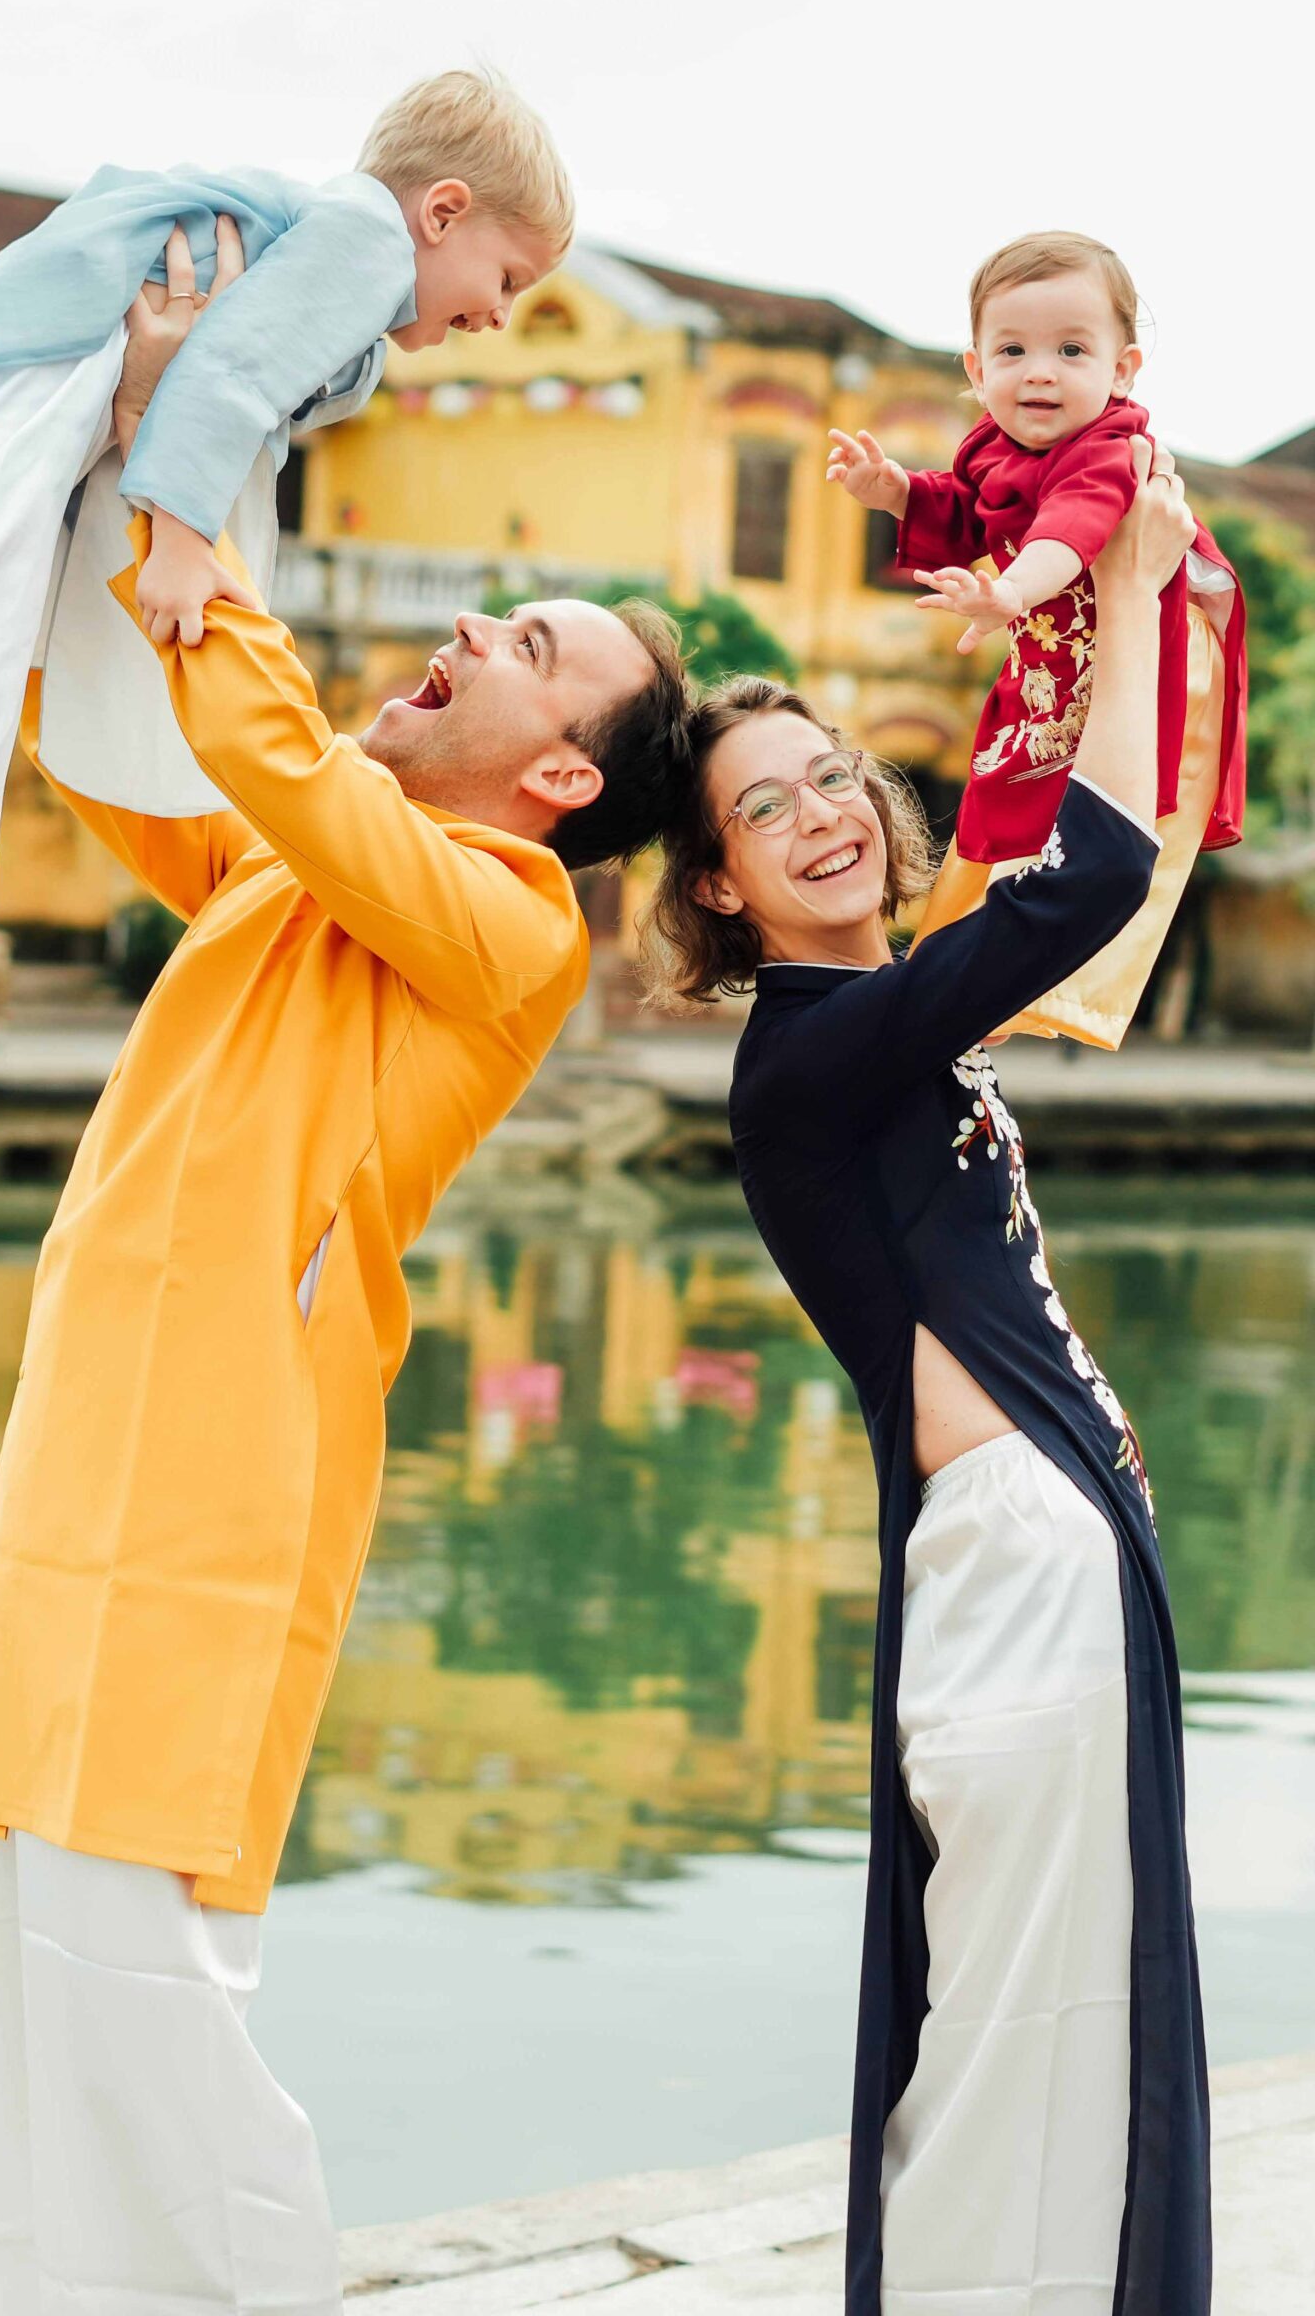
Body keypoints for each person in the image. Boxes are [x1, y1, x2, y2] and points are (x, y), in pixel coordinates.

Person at [0, 278, 692, 2314]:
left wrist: (199, 502)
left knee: (148, 1998)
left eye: (523, 651)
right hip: (76, 1472)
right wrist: (113, 459)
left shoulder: (506, 919)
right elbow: (118, 737)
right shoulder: (297, 866)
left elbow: (263, 737)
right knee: (18, 1996)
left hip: (211, 1496)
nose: (467, 635)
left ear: (553, 784)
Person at [646, 440, 1209, 2314]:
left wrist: (1072, 598)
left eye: (830, 778)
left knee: (1040, 2012)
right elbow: (1086, 887)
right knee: (1010, 2021)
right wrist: (1120, 598)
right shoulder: (814, 1056)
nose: (816, 816)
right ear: (718, 890)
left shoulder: (877, 1035)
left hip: (1036, 1561)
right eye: (760, 814)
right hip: (1010, 1577)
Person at [0, 69, 572, 1127]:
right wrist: (181, 542)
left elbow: (244, 378)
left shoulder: (351, 305)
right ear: (441, 210)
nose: (502, 316)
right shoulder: (364, 242)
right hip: (31, 375)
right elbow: (226, 376)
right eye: (506, 277)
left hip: (39, 385)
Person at [826, 231, 1246, 1047]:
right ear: (977, 371)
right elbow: (964, 508)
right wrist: (895, 492)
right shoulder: (995, 445)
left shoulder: (1108, 450)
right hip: (1058, 643)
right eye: (1013, 349)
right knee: (1006, 789)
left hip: (1151, 643)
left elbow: (1070, 528)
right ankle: (977, 985)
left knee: (1104, 816)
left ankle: (1049, 991)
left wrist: (1008, 591)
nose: (1040, 371)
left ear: (1122, 370)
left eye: (1071, 349)